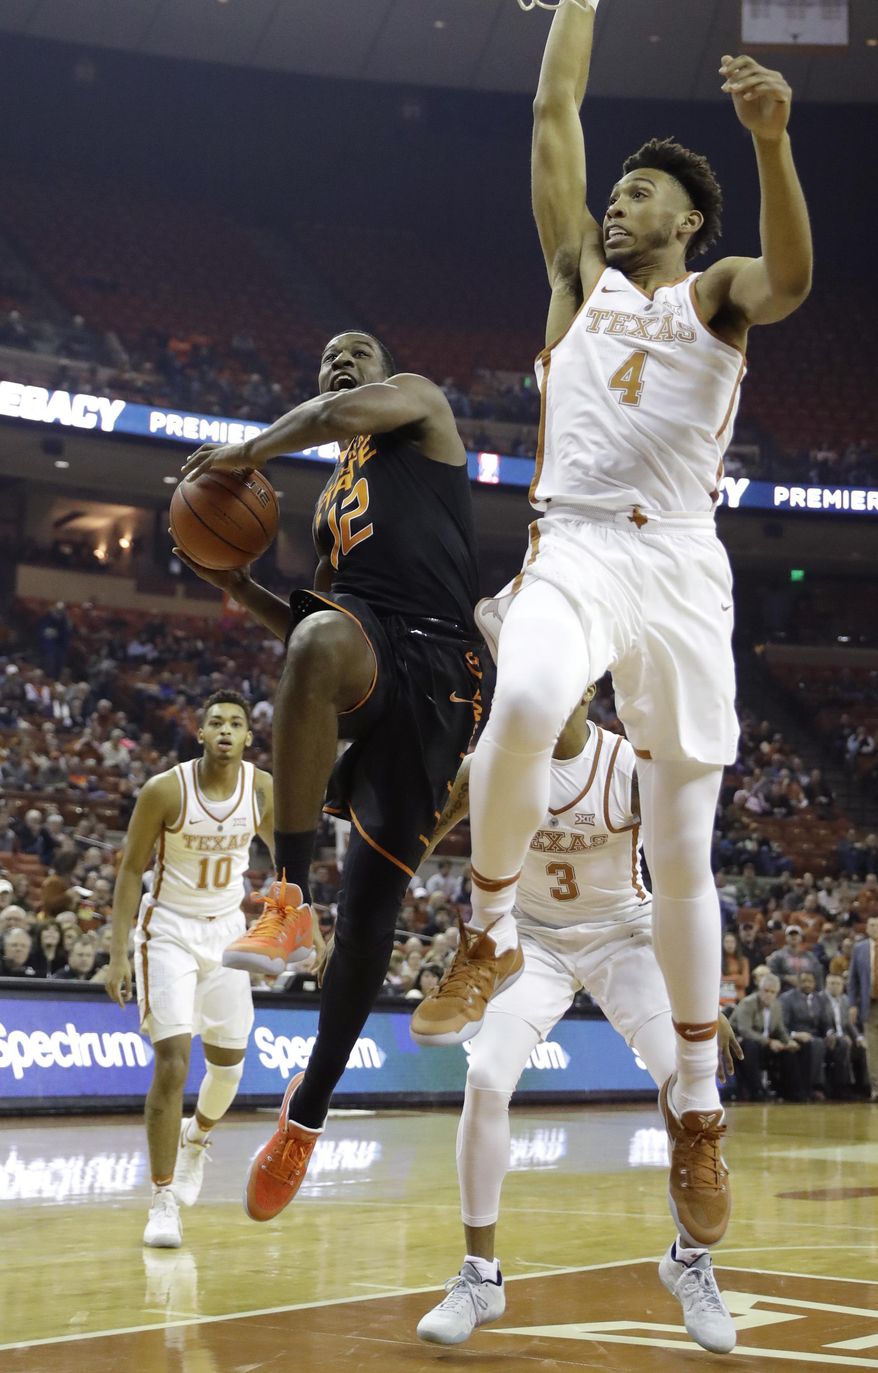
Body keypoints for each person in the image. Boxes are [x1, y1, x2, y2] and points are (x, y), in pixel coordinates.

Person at [414, 0, 812, 1253]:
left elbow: (791, 279)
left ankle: (696, 1104)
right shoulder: (573, 284)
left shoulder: (715, 296)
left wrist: (769, 141)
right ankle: (486, 931)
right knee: (527, 699)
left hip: (681, 560)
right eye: (615, 190)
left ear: (686, 221)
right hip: (577, 538)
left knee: (683, 851)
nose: (615, 204)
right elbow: (552, 113)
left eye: (639, 193)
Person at [177, 331, 481, 1221]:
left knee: (374, 916)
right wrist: (240, 585)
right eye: (327, 355)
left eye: (357, 351)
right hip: (367, 648)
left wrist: (244, 451)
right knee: (315, 639)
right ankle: (287, 901)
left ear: (384, 371)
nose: (341, 361)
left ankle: (306, 1113)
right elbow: (313, 640)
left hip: (440, 667)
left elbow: (335, 413)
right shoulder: (328, 510)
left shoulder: (417, 403)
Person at [416, 691, 739, 1355]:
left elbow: (682, 883)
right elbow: (416, 839)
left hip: (626, 933)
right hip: (530, 937)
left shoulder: (629, 766)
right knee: (485, 1078)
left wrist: (703, 999)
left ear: (587, 688)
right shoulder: (493, 762)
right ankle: (480, 1276)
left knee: (687, 1078)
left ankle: (689, 1262)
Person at [105, 692, 276, 1249]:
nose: (225, 730)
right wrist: (117, 953)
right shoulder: (165, 790)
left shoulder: (261, 789)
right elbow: (130, 870)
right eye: (216, 722)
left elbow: (288, 860)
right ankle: (161, 1199)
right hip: (169, 930)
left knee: (228, 1071)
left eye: (236, 723)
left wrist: (307, 922)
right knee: (173, 1062)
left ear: (248, 737)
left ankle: (195, 1139)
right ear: (200, 733)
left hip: (228, 932)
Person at [729, 972, 798, 1100]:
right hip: (739, 1043)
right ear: (759, 990)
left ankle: (789, 1092)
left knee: (789, 1051)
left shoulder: (777, 1006)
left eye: (773, 992)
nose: (769, 995)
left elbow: (780, 1030)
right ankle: (757, 1091)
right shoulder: (748, 1003)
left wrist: (788, 1042)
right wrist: (769, 1042)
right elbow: (745, 1030)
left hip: (764, 1044)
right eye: (766, 991)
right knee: (751, 1046)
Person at [848, 916, 878, 1101]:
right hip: (870, 1003)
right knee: (872, 1048)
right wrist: (852, 1004)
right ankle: (876, 1088)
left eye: (877, 925)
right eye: (872, 925)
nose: (875, 928)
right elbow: (853, 979)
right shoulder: (859, 948)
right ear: (867, 928)